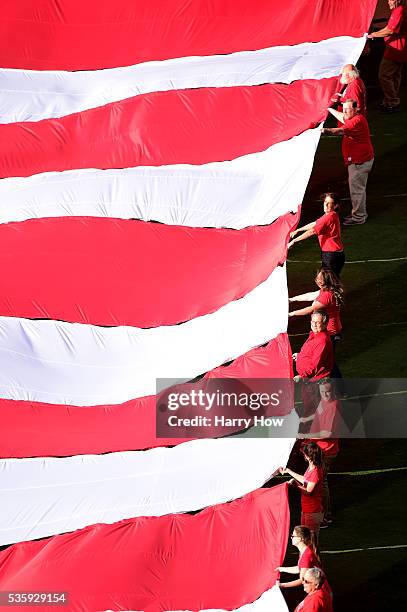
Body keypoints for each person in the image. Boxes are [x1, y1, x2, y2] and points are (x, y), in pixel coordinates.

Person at [323, 100, 374, 226]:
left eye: (347, 109)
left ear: (356, 109)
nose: (344, 111)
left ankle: (359, 217)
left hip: (359, 162)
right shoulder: (355, 117)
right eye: (343, 109)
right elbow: (343, 117)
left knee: (357, 190)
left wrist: (321, 130)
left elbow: (338, 131)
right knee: (357, 189)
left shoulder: (356, 121)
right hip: (359, 160)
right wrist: (329, 109)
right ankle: (359, 214)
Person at [288, 193, 345, 276]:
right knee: (331, 278)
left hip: (331, 255)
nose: (325, 204)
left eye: (329, 203)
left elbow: (312, 231)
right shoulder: (331, 215)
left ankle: (327, 289)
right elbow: (315, 223)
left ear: (335, 205)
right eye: (325, 201)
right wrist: (298, 230)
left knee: (327, 279)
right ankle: (327, 289)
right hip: (336, 253)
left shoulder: (328, 218)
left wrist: (294, 241)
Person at [368, 0, 407, 113]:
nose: (388, 2)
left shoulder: (399, 11)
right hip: (400, 48)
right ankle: (391, 101)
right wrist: (375, 34)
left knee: (384, 75)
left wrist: (372, 35)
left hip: (396, 49)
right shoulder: (398, 10)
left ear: (398, 0)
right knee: (394, 75)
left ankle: (392, 102)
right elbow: (388, 29)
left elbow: (389, 31)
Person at [279, 442, 324, 538]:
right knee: (305, 537)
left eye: (305, 454)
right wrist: (289, 471)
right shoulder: (311, 468)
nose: (303, 455)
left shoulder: (316, 472)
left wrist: (295, 484)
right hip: (307, 509)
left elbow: (308, 491)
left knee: (310, 540)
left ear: (308, 457)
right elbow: (305, 479)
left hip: (313, 511)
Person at [289, 268, 343, 345]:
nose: (317, 281)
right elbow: (311, 295)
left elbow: (311, 309)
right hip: (331, 330)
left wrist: (291, 314)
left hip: (328, 332)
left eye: (318, 279)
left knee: (321, 355)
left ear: (323, 282)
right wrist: (292, 299)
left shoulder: (326, 296)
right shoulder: (327, 289)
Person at [293, 311, 334, 382]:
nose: (314, 325)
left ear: (325, 324)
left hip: (314, 381)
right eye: (313, 322)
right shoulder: (314, 334)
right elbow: (311, 353)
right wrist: (299, 356)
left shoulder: (322, 341)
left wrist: (302, 377)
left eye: (318, 322)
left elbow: (315, 365)